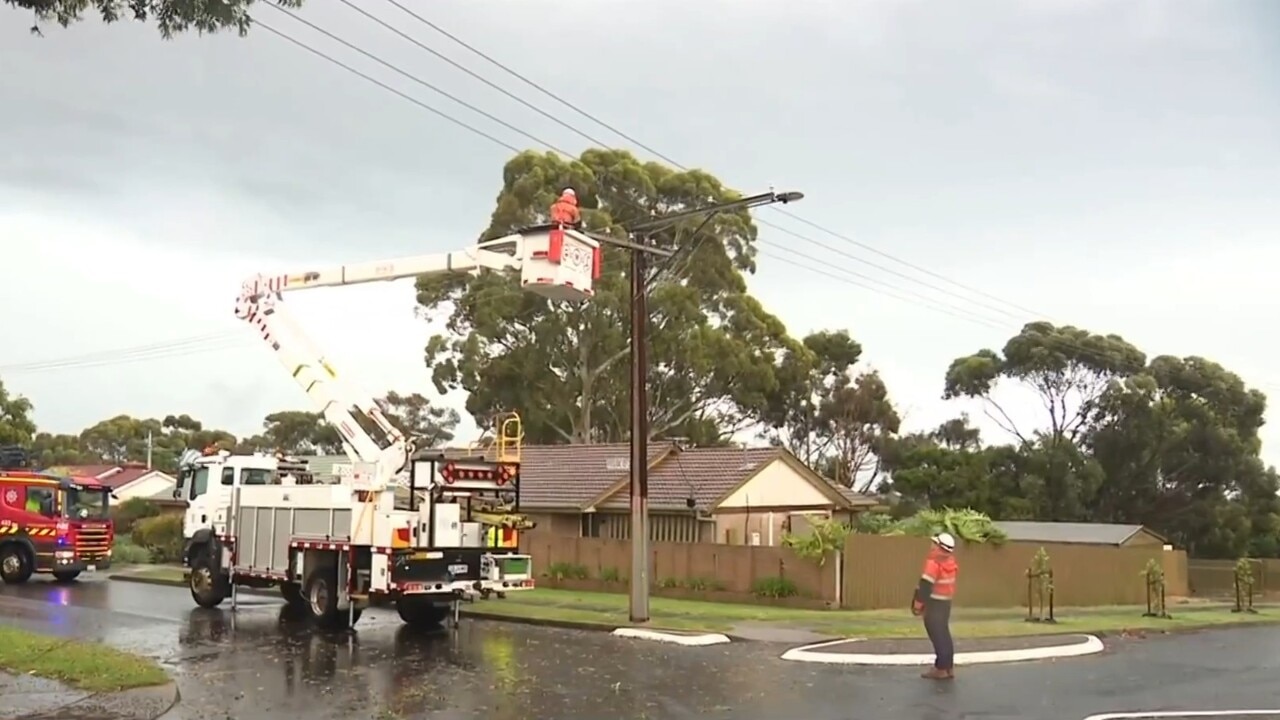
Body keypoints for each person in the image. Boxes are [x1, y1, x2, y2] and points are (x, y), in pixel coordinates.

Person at [912, 532, 958, 679]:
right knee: (944, 634)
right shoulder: (951, 562)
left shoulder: (933, 563)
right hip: (946, 603)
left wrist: (918, 605)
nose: (932, 546)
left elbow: (925, 586)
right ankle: (948, 666)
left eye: (934, 543)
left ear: (939, 547)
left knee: (937, 636)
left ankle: (940, 669)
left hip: (934, 604)